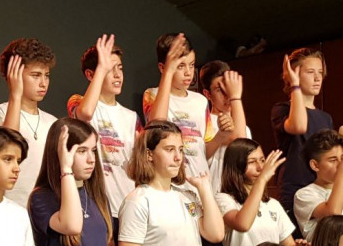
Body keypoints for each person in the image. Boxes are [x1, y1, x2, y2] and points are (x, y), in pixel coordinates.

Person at [117, 121, 225, 246]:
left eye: (180, 150)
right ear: (149, 154)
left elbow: (216, 234)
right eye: (169, 150)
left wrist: (205, 190)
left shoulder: (186, 196)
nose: (178, 157)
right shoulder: (138, 200)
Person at [28, 118, 114, 246]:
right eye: (81, 151)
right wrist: (66, 168)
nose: (91, 159)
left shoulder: (96, 195)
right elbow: (72, 226)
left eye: (93, 150)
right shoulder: (42, 197)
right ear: (61, 153)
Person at [69, 35, 138, 226]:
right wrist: (102, 69)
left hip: (126, 202)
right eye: (110, 69)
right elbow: (85, 113)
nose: (117, 75)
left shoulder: (131, 116)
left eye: (120, 68)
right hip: (95, 202)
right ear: (91, 74)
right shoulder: (78, 102)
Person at [144, 33, 217, 177]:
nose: (188, 72)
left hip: (200, 181)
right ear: (162, 67)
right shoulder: (152, 94)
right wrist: (168, 72)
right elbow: (157, 125)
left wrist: (221, 136)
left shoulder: (201, 101)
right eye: (180, 66)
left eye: (191, 65)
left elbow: (205, 149)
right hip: (173, 181)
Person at [272, 48, 332, 222]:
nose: (317, 78)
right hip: (295, 189)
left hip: (321, 192)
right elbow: (299, 126)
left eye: (320, 72)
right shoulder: (282, 109)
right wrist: (295, 85)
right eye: (310, 72)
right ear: (294, 74)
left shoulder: (325, 118)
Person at [0, 37, 60, 208]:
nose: (43, 83)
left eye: (46, 76)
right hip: (11, 206)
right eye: (35, 75)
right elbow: (9, 146)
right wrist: (15, 94)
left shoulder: (52, 122)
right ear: (14, 75)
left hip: (45, 208)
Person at [292, 130, 343, 242]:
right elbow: (333, 213)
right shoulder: (304, 194)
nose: (340, 164)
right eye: (333, 160)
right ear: (315, 165)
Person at [199, 60, 249, 190]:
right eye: (219, 89)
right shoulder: (205, 123)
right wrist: (236, 97)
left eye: (229, 87)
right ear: (208, 94)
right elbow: (239, 139)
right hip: (217, 195)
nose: (227, 94)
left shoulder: (243, 126)